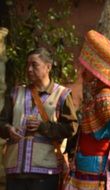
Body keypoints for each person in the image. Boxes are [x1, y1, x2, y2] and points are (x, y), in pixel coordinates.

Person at [0, 47, 78, 190]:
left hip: (46, 173)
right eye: (27, 65)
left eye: (34, 65)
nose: (29, 69)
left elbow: (71, 128)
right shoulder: (15, 93)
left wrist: (43, 127)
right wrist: (8, 129)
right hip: (15, 172)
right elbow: (1, 122)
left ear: (48, 67)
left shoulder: (62, 94)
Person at [64, 30, 110, 190]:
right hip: (88, 169)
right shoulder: (104, 96)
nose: (82, 72)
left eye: (87, 67)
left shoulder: (105, 98)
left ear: (97, 70)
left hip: (95, 173)